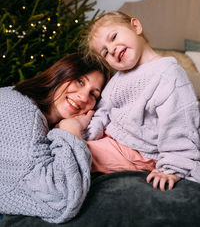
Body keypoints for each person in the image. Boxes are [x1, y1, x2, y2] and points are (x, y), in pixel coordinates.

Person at [82, 11, 200, 191]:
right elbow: (104, 109)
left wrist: (173, 167)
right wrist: (90, 133)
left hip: (138, 151)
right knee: (67, 136)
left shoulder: (168, 75)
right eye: (105, 52)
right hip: (113, 139)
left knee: (76, 153)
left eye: (113, 37)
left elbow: (180, 124)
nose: (112, 49)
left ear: (135, 26)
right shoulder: (118, 79)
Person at [0, 53, 110, 224]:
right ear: (62, 72)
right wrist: (70, 130)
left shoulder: (40, 122)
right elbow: (60, 199)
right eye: (80, 81)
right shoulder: (19, 107)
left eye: (93, 95)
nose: (83, 97)